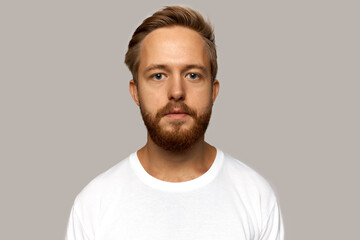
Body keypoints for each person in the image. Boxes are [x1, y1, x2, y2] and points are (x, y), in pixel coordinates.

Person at [65, 6, 284, 240]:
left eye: (193, 75)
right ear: (135, 91)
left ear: (213, 90)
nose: (177, 92)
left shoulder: (256, 197)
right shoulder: (93, 205)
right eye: (158, 75)